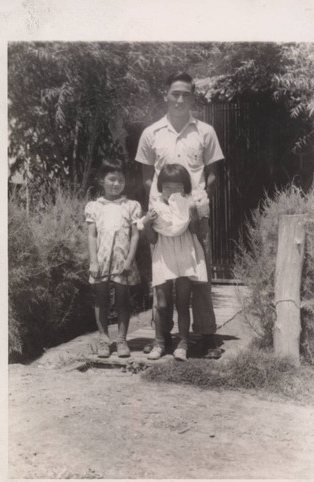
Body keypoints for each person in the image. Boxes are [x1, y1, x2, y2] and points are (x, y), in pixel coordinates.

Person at [135, 71, 225, 358]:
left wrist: (195, 202)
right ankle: (162, 337)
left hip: (195, 216)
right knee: (162, 275)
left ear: (192, 97)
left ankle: (206, 335)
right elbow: (148, 176)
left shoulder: (205, 132)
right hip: (161, 219)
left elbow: (212, 173)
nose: (180, 99)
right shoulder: (151, 133)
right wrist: (161, 207)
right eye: (175, 93)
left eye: (186, 94)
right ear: (166, 95)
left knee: (199, 275)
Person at [142, 164, 207, 361]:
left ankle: (183, 343)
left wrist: (194, 211)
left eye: (177, 187)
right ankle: (160, 342)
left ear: (185, 187)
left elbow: (195, 230)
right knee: (161, 304)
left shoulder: (189, 203)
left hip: (184, 256)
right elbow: (152, 239)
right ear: (160, 188)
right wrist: (146, 223)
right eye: (167, 187)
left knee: (182, 302)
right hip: (163, 257)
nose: (172, 191)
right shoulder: (155, 208)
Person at [85, 159, 141, 358]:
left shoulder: (131, 206)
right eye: (112, 179)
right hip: (100, 260)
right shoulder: (94, 206)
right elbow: (92, 235)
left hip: (122, 261)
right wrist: (93, 261)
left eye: (120, 180)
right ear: (102, 180)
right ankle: (103, 340)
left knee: (122, 300)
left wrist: (129, 260)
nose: (116, 184)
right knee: (101, 299)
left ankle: (122, 340)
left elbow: (135, 234)